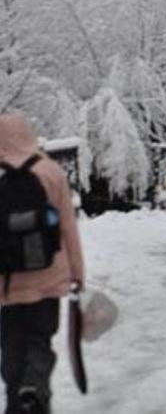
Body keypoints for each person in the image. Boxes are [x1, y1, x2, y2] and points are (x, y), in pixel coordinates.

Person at [0, 114, 85, 413]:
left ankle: (16, 400)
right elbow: (68, 228)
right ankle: (35, 390)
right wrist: (77, 272)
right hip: (48, 278)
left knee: (11, 347)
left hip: (7, 284)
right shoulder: (51, 171)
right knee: (40, 341)